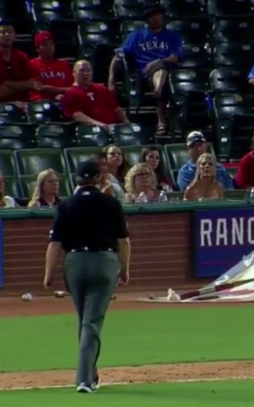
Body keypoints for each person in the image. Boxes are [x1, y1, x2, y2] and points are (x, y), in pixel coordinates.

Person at [44, 159, 130, 393]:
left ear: (77, 179)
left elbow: (55, 243)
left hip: (75, 262)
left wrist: (48, 273)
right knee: (91, 321)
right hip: (104, 262)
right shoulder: (110, 202)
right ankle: (85, 379)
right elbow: (123, 241)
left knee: (84, 318)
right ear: (97, 179)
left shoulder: (65, 205)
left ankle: (90, 373)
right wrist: (125, 268)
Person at [109, 1, 184, 135]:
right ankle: (161, 115)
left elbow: (176, 57)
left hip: (169, 73)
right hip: (144, 75)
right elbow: (118, 55)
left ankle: (158, 94)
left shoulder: (172, 36)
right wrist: (111, 80)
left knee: (162, 71)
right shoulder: (136, 36)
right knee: (160, 73)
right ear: (146, 19)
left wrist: (159, 61)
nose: (156, 18)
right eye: (152, 16)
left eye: (158, 15)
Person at [62, 60, 130, 129]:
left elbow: (117, 108)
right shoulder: (71, 93)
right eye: (81, 71)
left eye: (89, 71)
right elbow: (78, 116)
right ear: (74, 73)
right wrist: (100, 125)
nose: (86, 73)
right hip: (92, 130)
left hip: (114, 128)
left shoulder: (101, 88)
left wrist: (125, 121)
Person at [30, 31, 73, 101]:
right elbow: (39, 87)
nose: (49, 47)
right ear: (37, 48)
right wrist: (64, 90)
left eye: (51, 44)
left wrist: (63, 95)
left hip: (63, 100)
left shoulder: (63, 64)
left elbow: (72, 86)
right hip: (42, 102)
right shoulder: (32, 64)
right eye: (45, 45)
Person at [0, 22, 37, 103]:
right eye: (3, 33)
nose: (7, 35)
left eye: (10, 32)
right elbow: (1, 92)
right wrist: (22, 86)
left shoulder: (22, 56)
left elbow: (32, 83)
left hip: (22, 103)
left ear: (14, 37)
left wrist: (6, 83)